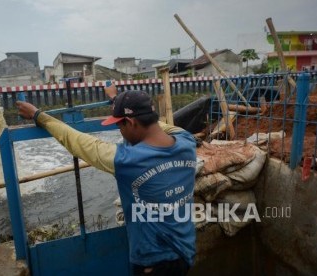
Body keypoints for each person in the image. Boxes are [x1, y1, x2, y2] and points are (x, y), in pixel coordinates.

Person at [16, 90, 196, 276]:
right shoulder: (186, 141)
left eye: (120, 126)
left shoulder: (128, 161)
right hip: (185, 252)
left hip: (153, 264)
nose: (120, 131)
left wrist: (38, 115)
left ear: (131, 122)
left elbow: (77, 141)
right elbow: (156, 125)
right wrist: (119, 104)